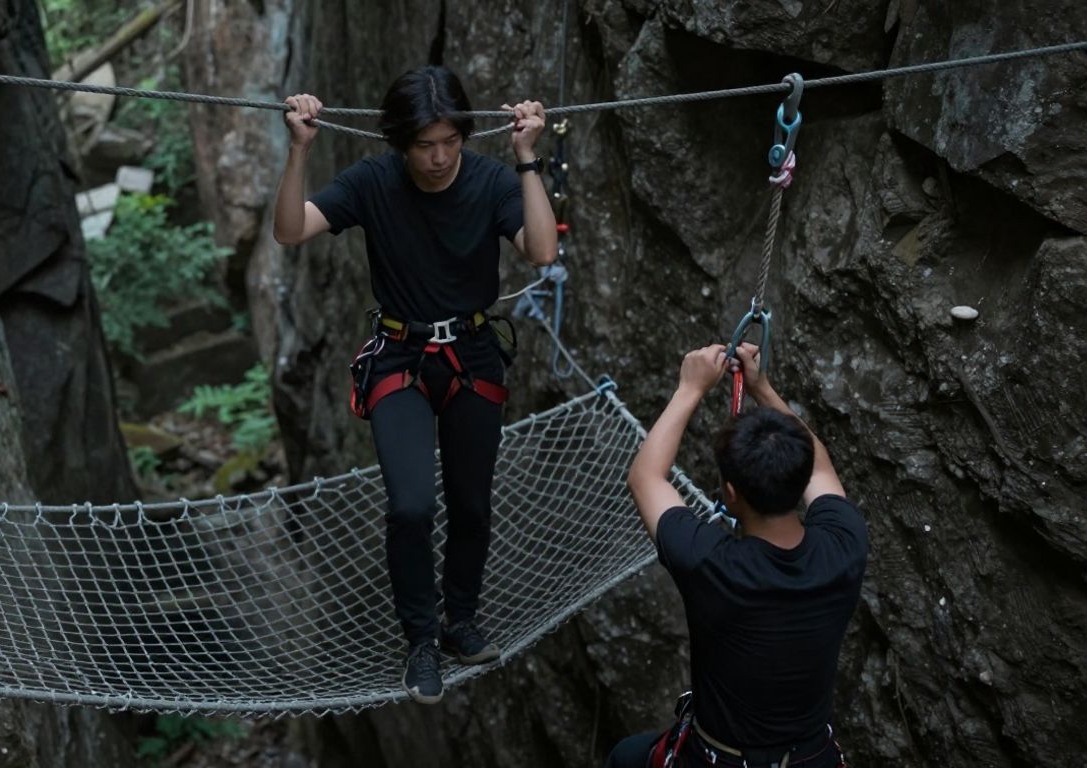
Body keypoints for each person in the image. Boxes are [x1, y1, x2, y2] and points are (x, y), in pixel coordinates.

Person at [273, 65, 557, 704]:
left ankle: (461, 620)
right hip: (399, 355)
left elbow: (541, 252)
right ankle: (421, 639)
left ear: (463, 134)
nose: (437, 158)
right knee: (410, 506)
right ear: (400, 143)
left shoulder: (489, 181)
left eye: (450, 141)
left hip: (473, 356)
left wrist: (526, 158)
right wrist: (298, 152)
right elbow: (290, 231)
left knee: (472, 504)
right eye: (424, 145)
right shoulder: (374, 182)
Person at [609, 342, 867, 767]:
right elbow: (821, 468)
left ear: (730, 493)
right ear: (801, 481)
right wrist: (762, 387)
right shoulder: (845, 542)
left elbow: (644, 477)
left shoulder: (711, 564)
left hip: (719, 759)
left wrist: (689, 388)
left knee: (625, 757)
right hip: (812, 758)